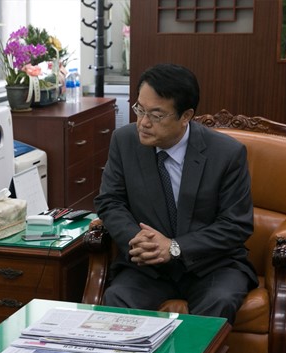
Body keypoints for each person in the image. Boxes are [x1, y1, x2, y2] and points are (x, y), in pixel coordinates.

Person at [94, 63, 258, 324]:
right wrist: (138, 240)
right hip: (148, 268)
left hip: (211, 266)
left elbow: (235, 224)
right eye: (140, 109)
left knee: (220, 300)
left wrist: (174, 247)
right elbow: (110, 201)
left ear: (186, 116)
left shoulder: (226, 154)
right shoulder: (124, 141)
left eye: (156, 115)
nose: (143, 122)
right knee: (119, 298)